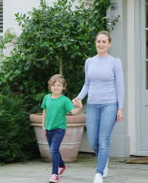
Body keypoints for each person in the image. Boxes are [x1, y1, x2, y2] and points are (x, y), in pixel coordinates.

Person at [72, 30, 124, 183]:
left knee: (103, 139)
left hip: (110, 104)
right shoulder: (89, 62)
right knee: (93, 140)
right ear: (95, 43)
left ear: (109, 44)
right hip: (93, 106)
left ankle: (99, 173)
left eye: (104, 42)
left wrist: (120, 107)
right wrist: (79, 97)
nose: (101, 44)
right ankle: (104, 159)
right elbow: (87, 84)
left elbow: (120, 86)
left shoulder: (114, 62)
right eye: (98, 41)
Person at [41, 74, 83, 183]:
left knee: (54, 149)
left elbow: (73, 112)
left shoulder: (65, 100)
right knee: (53, 149)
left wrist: (79, 107)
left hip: (59, 128)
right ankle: (62, 165)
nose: (56, 87)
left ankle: (54, 174)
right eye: (54, 85)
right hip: (48, 128)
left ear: (63, 87)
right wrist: (43, 126)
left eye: (59, 85)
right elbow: (44, 112)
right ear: (50, 86)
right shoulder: (46, 97)